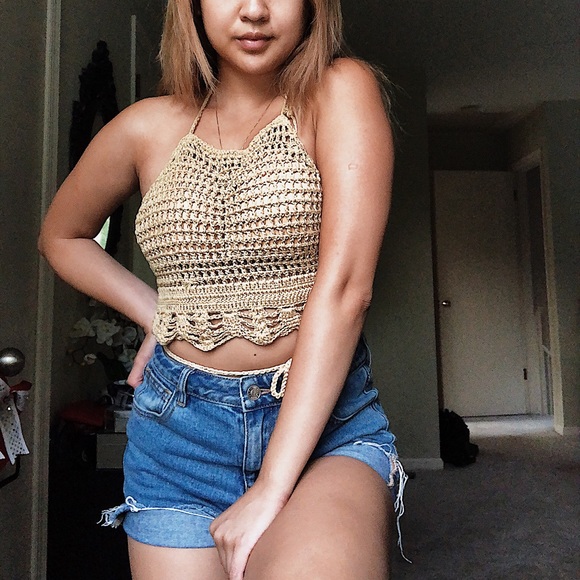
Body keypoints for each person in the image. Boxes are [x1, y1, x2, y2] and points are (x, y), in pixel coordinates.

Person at [39, 1, 406, 578]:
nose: (254, 10)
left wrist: (272, 487)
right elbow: (61, 236)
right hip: (177, 440)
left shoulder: (339, 90)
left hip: (323, 432)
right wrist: (159, 312)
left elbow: (345, 291)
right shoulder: (144, 126)